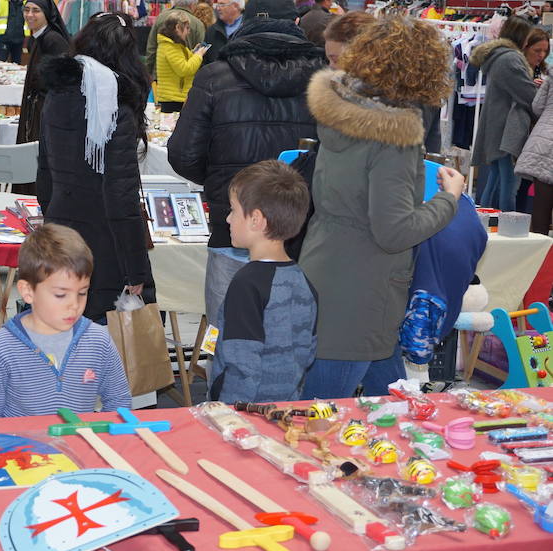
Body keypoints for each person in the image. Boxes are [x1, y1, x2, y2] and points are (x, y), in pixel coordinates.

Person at [300, 17, 464, 400]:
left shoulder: (342, 114)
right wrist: (449, 199)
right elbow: (394, 232)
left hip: (330, 271)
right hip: (363, 292)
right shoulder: (392, 135)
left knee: (395, 409)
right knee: (320, 419)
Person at [168, 18, 324, 323]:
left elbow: (183, 154)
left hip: (233, 226)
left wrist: (223, 182)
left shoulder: (214, 77)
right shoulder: (324, 81)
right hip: (298, 228)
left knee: (225, 335)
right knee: (292, 338)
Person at [38, 12, 154, 322]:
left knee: (61, 330)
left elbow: (44, 173)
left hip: (61, 230)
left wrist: (53, 219)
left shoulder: (56, 95)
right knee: (104, 344)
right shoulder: (116, 106)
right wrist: (136, 268)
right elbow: (120, 195)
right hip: (105, 244)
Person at [0, 224, 131, 418]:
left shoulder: (99, 340)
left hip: (80, 445)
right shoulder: (1, 347)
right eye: (60, 295)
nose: (74, 305)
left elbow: (119, 401)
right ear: (28, 292)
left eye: (82, 293)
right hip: (22, 447)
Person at [209, 160, 317, 404]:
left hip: (243, 415)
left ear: (256, 220)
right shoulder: (302, 279)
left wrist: (228, 416)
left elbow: (242, 365)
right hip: (284, 407)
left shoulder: (247, 284)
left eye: (233, 210)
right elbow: (306, 353)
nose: (227, 219)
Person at [322, 11, 441, 154]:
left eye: (335, 59)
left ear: (360, 53)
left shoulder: (386, 99)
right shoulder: (414, 87)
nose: (331, 66)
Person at [472, 16, 538, 212]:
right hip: (507, 128)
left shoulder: (498, 56)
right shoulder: (510, 58)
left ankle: (486, 222)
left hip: (498, 124)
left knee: (496, 178)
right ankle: (505, 227)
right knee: (508, 183)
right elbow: (527, 94)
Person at [16, 0, 70, 144]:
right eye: (26, 10)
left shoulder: (53, 40)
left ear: (46, 13)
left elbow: (63, 82)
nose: (29, 15)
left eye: (36, 10)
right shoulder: (38, 38)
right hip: (38, 111)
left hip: (47, 113)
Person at [516, 39, 553, 233]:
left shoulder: (551, 76)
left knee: (540, 212)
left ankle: (540, 260)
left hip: (543, 144)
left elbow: (537, 107)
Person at [156, 10, 208, 112]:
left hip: (175, 97)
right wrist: (198, 55)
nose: (188, 32)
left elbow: (181, 62)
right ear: (178, 28)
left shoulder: (173, 46)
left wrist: (194, 53)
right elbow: (185, 69)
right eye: (187, 28)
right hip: (173, 99)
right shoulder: (170, 47)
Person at [145, 0, 205, 78]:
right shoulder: (198, 24)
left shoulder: (161, 18)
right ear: (193, 5)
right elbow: (199, 55)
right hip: (186, 80)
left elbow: (151, 49)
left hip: (161, 77)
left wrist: (148, 73)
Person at [203, 0, 246, 66]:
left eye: (222, 5)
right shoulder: (212, 31)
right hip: (216, 75)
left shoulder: (249, 29)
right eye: (218, 4)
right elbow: (205, 60)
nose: (218, 8)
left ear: (235, 6)